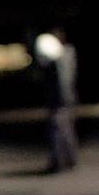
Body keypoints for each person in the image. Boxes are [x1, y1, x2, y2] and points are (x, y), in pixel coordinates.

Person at [33, 29, 80, 172]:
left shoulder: (59, 59)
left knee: (57, 129)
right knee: (66, 129)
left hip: (60, 100)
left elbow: (62, 81)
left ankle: (58, 161)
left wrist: (61, 98)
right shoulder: (68, 54)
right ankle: (69, 160)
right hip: (66, 99)